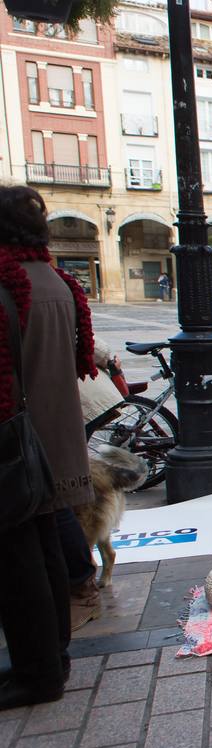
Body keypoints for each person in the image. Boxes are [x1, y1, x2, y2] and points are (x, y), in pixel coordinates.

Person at [0, 186, 95, 709]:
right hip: (54, 434)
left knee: (21, 563)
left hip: (16, 444)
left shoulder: (11, 285)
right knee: (45, 550)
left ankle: (39, 670)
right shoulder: (60, 283)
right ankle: (53, 654)